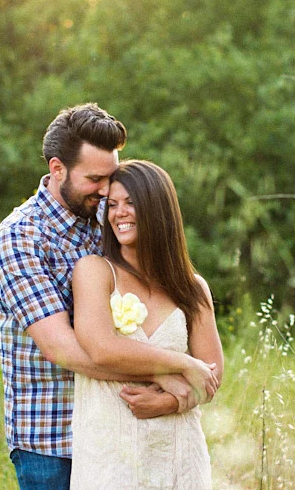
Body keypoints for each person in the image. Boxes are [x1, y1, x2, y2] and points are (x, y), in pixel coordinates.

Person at [0, 104, 218, 490]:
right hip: (53, 439)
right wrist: (171, 373)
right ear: (57, 169)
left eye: (111, 178)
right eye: (95, 179)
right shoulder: (20, 237)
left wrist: (176, 397)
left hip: (126, 429)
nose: (106, 190)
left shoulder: (110, 216)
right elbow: (66, 351)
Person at [70, 160, 224, 489]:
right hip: (111, 455)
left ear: (157, 208)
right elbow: (101, 348)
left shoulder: (192, 288)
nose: (119, 213)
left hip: (180, 454)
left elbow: (213, 373)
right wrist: (181, 363)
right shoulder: (95, 271)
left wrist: (170, 402)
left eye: (130, 203)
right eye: (112, 205)